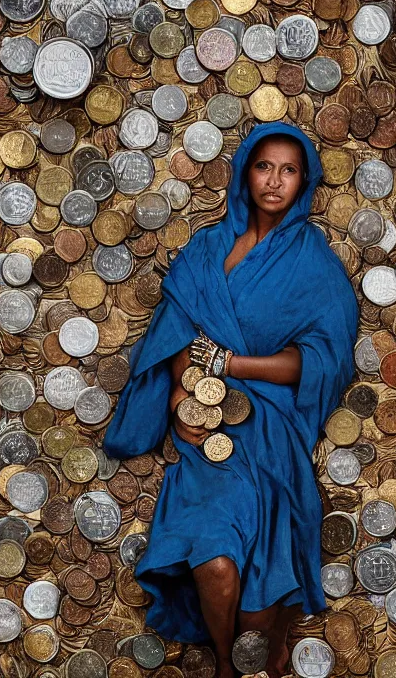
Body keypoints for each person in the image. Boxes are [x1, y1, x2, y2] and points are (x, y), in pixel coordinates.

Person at [102, 121, 359, 678]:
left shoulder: (313, 261)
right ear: (245, 172)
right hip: (207, 434)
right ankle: (224, 665)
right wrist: (176, 400)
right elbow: (176, 330)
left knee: (257, 614)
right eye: (264, 166)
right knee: (216, 565)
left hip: (271, 436)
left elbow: (322, 361)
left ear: (304, 181)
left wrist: (230, 364)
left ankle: (255, 655)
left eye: (289, 170)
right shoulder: (208, 248)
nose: (275, 181)